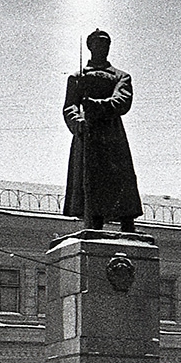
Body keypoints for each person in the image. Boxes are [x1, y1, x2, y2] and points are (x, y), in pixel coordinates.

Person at [63, 29, 143, 232]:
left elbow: (122, 102)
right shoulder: (77, 77)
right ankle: (94, 225)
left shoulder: (121, 76)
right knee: (91, 182)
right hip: (87, 133)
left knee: (121, 180)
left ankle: (128, 226)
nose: (102, 47)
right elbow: (69, 106)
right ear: (90, 46)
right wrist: (77, 121)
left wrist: (95, 105)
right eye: (98, 43)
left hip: (112, 135)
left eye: (106, 43)